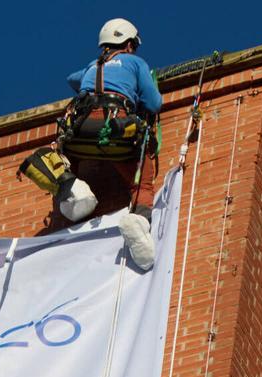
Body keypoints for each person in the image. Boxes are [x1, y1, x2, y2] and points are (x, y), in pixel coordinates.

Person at [59, 18, 162, 266]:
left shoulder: (93, 65)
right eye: (133, 46)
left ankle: (74, 191)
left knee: (66, 154)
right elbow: (154, 104)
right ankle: (138, 220)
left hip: (82, 127)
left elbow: (72, 79)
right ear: (127, 44)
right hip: (116, 126)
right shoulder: (136, 63)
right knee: (142, 181)